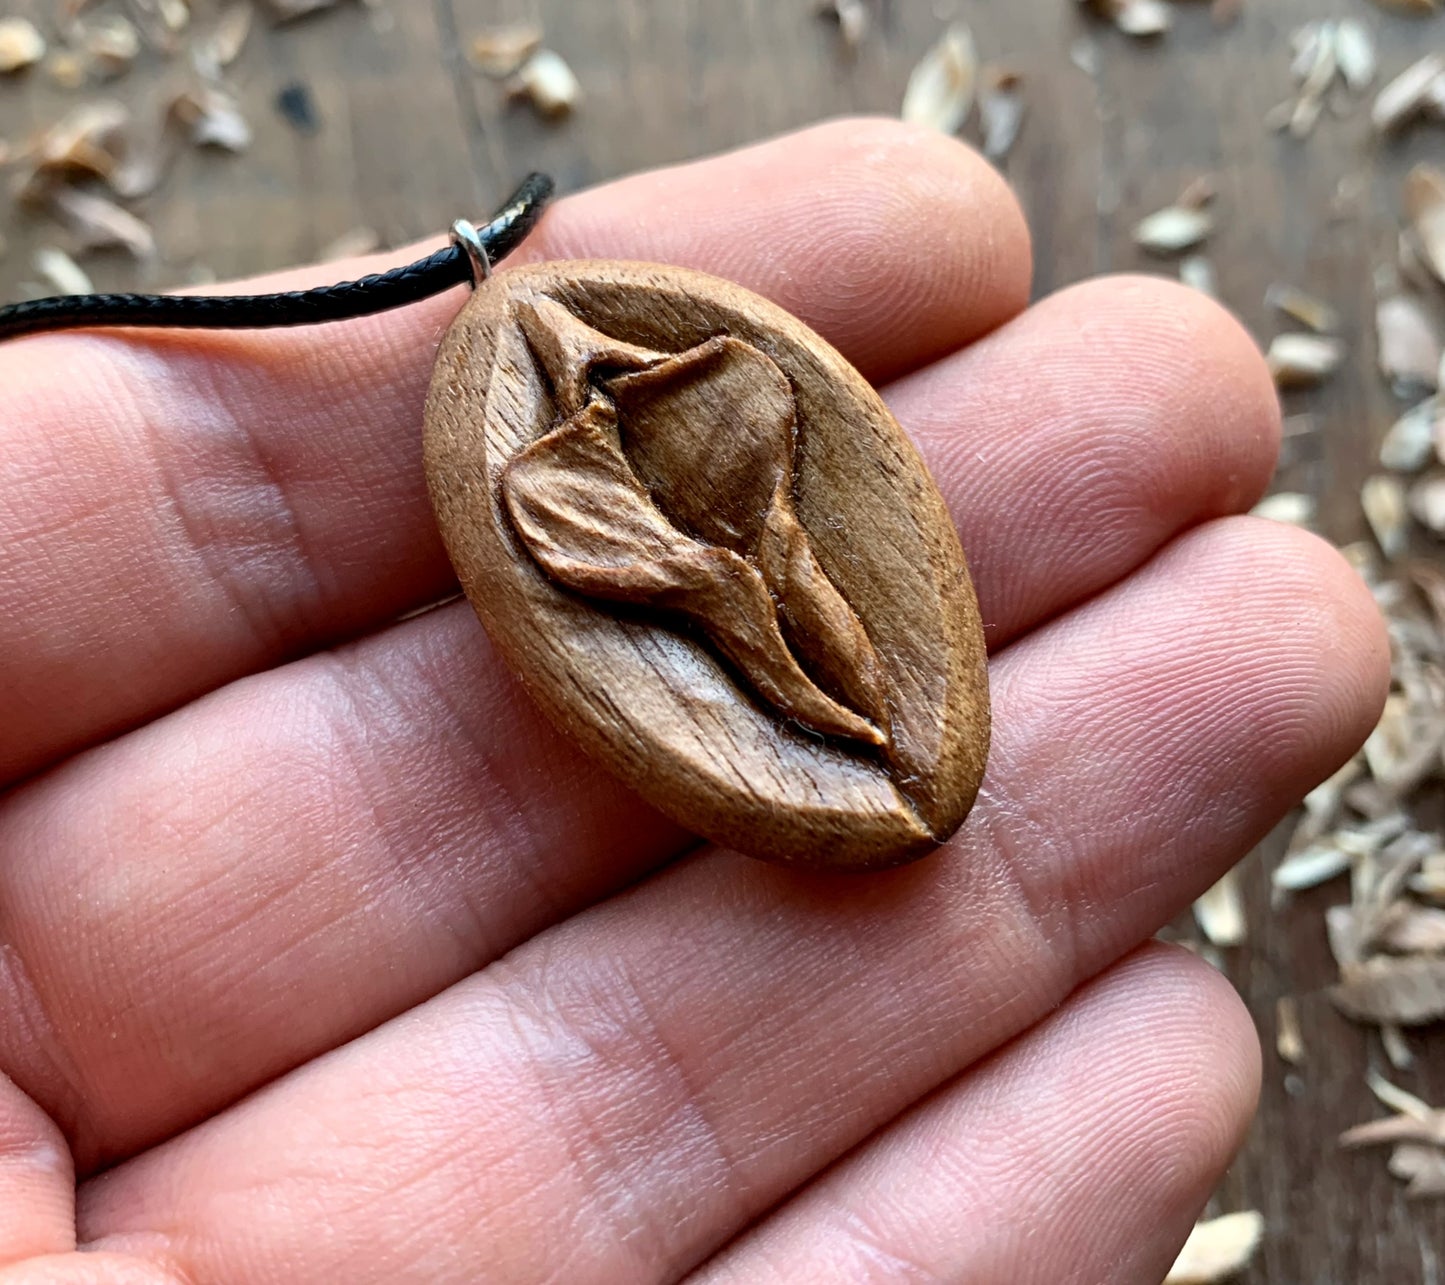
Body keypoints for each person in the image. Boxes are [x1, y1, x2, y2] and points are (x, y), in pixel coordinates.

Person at [0, 119, 1387, 1283]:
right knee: (772, 619)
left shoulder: (666, 421)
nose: (591, 387)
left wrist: (743, 557)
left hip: (738, 576)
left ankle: (819, 675)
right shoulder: (553, 479)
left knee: (799, 618)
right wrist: (717, 568)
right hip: (697, 574)